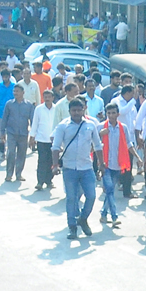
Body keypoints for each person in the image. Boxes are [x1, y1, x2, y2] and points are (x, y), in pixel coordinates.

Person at [52, 98, 100, 240]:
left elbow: (98, 146)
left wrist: (102, 165)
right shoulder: (63, 126)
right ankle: (72, 227)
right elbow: (55, 147)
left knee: (91, 196)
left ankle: (83, 219)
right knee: (71, 198)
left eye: (79, 110)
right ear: (69, 111)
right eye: (74, 110)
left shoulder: (90, 125)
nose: (77, 113)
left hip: (87, 167)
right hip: (69, 168)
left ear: (84, 110)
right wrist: (55, 165)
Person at [95, 102, 131, 226]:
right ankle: (114, 216)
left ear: (118, 114)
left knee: (110, 190)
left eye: (113, 113)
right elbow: (92, 142)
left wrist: (138, 158)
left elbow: (128, 144)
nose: (111, 115)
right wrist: (100, 135)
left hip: (118, 164)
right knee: (110, 189)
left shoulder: (123, 128)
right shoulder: (101, 127)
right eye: (109, 113)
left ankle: (103, 214)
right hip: (105, 164)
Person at [31, 87, 63, 192]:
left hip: (54, 140)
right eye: (45, 97)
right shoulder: (39, 109)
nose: (47, 99)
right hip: (41, 139)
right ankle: (40, 182)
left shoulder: (57, 108)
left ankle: (49, 180)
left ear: (53, 97)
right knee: (42, 161)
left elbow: (60, 124)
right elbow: (35, 123)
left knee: (51, 161)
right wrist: (32, 137)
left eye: (49, 97)